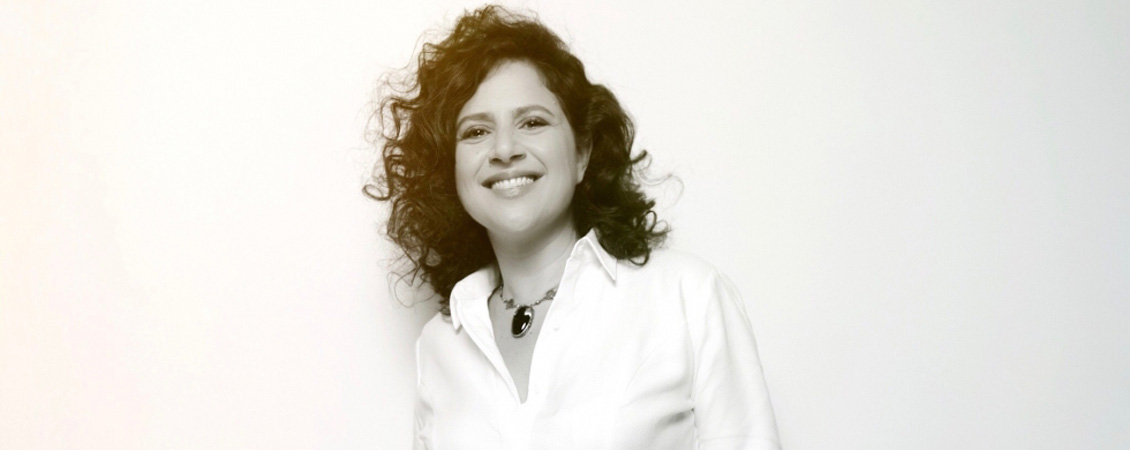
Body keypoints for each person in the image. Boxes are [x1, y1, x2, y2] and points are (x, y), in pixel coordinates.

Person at [367, 5, 780, 449]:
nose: (505, 149)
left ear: (583, 152)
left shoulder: (688, 297)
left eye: (532, 122)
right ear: (449, 169)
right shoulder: (440, 345)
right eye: (475, 132)